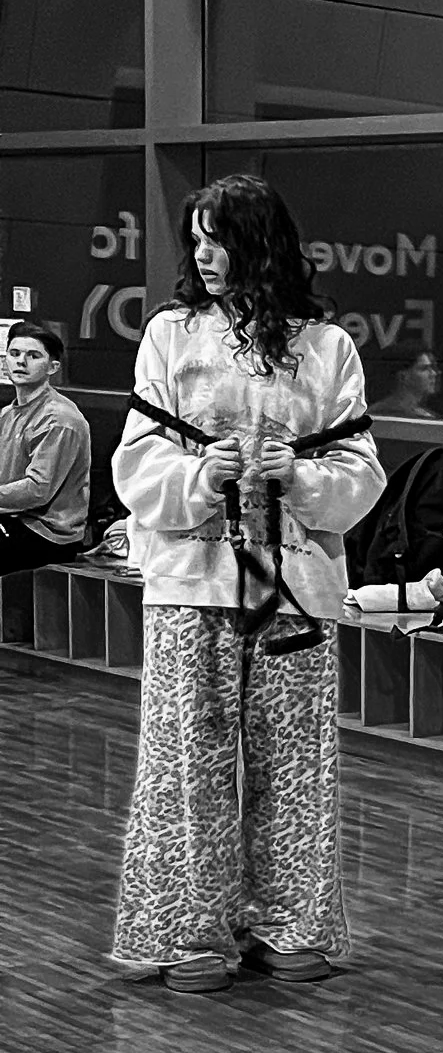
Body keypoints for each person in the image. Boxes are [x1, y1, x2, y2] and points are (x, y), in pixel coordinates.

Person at [109, 176, 387, 991]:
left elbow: (361, 470)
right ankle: (186, 932)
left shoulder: (327, 346)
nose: (202, 253)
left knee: (294, 759)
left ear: (261, 243)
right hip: (193, 576)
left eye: (218, 237)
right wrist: (200, 472)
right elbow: (135, 462)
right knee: (186, 760)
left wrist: (298, 475)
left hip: (292, 581)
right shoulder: (170, 334)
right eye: (196, 237)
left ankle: (289, 922)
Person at [0, 317, 92, 574]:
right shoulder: (7, 415)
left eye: (33, 356)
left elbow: (37, 490)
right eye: (15, 353)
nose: (21, 361)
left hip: (47, 534)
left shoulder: (59, 419)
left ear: (52, 367)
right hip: (13, 519)